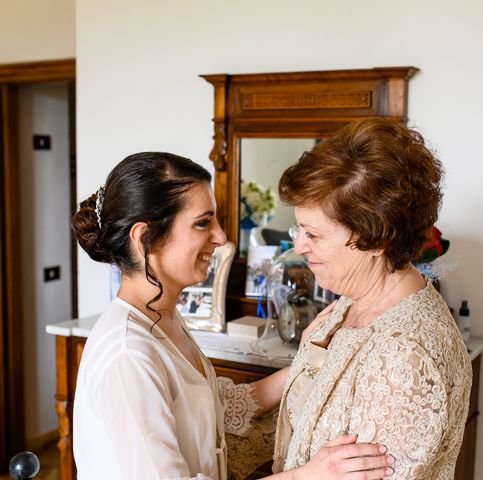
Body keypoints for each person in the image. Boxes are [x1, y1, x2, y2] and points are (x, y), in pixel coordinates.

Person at [71, 152, 394, 480]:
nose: (222, 237)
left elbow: (213, 406)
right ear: (145, 238)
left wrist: (309, 357)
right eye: (202, 223)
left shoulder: (162, 318)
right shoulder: (127, 357)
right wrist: (310, 475)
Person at [272, 118, 473, 479]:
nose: (300, 246)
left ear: (376, 240)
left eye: (313, 234)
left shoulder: (406, 358)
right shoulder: (350, 305)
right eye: (299, 229)